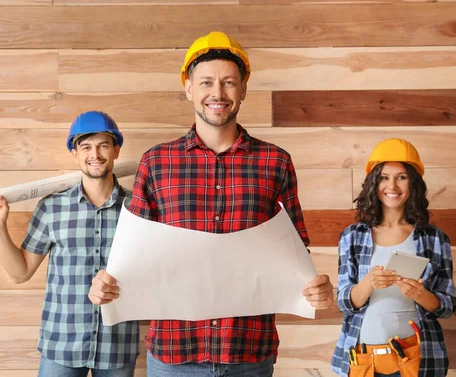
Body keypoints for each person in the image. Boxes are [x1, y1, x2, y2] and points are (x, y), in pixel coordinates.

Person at [89, 31, 334, 376]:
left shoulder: (275, 162)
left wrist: (315, 288)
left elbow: (295, 252)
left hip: (249, 352)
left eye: (228, 82)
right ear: (189, 88)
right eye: (206, 82)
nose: (217, 93)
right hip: (175, 353)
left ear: (243, 88)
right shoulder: (156, 163)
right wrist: (106, 285)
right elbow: (133, 255)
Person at [0, 111, 140, 377]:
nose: (95, 154)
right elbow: (20, 273)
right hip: (62, 344)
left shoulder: (137, 209)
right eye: (86, 147)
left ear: (116, 150)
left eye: (103, 145)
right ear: (75, 153)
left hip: (117, 345)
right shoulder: (52, 208)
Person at [331, 138, 456, 377]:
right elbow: (344, 303)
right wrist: (369, 282)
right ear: (373, 182)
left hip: (418, 358)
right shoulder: (353, 236)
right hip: (363, 358)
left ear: (413, 182)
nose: (393, 185)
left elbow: (447, 307)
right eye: (384, 177)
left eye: (402, 177)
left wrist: (421, 294)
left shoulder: (434, 238)